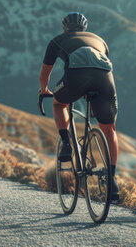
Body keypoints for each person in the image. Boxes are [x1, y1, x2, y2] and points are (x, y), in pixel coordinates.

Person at [39, 12, 119, 201]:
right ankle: (112, 178)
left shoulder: (58, 40)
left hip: (75, 78)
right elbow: (98, 65)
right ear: (84, 28)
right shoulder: (100, 40)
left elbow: (45, 74)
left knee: (58, 103)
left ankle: (66, 143)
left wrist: (44, 90)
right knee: (109, 129)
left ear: (64, 28)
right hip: (105, 80)